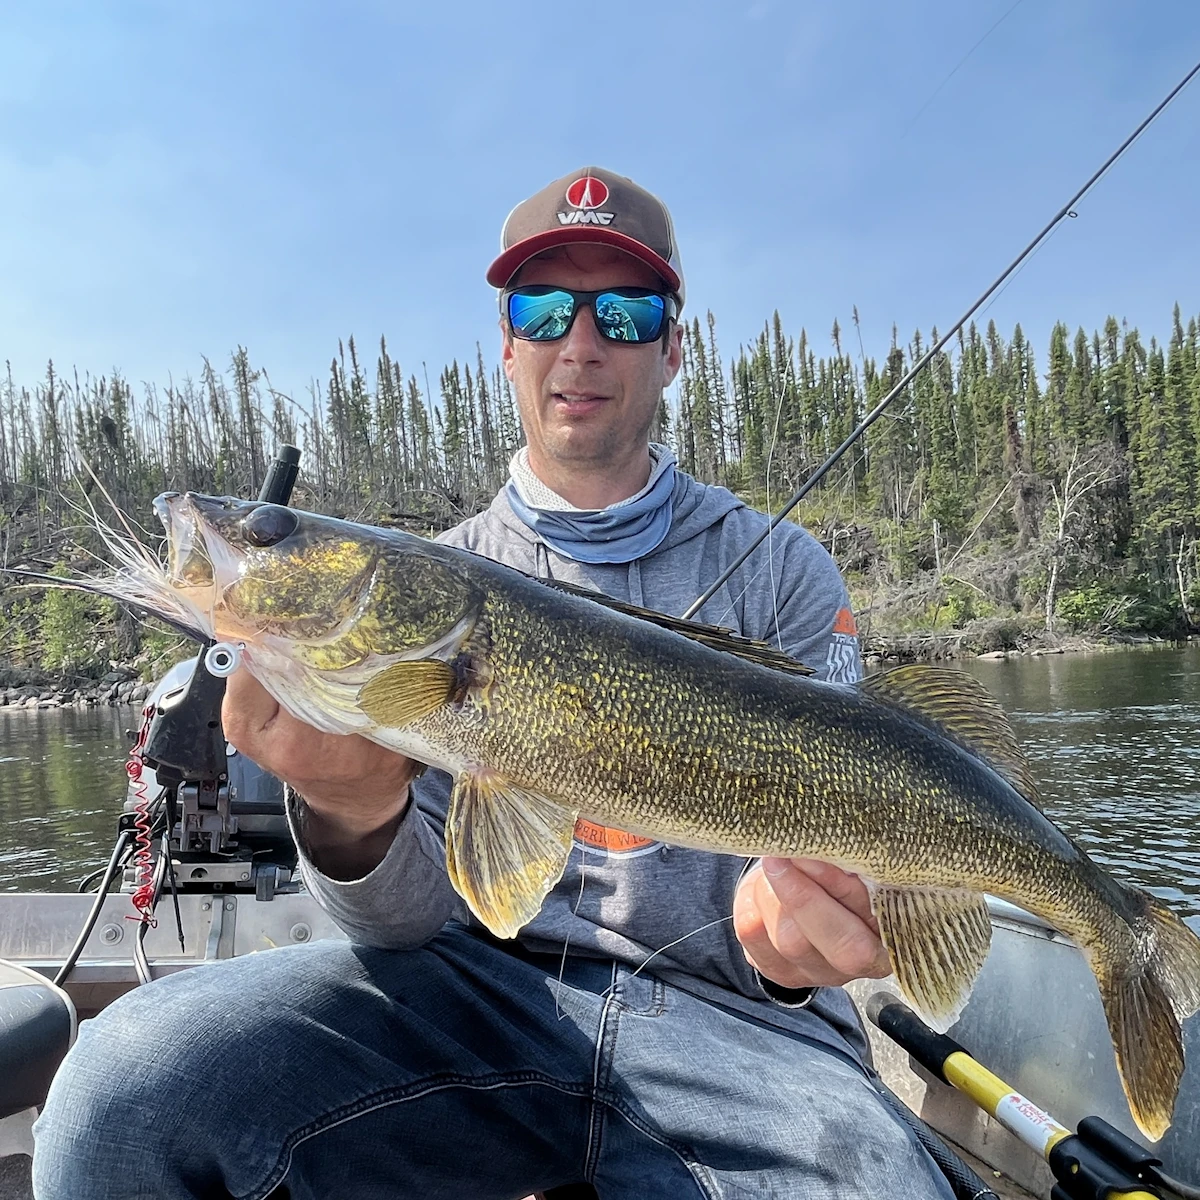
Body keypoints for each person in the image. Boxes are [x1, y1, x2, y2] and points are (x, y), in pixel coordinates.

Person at [33, 168, 954, 1199]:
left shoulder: (788, 572)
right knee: (120, 1095)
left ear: (674, 347)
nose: (583, 339)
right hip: (484, 1004)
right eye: (545, 307)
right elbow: (410, 930)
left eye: (628, 310)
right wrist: (348, 811)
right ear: (509, 342)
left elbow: (818, 892)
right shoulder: (428, 588)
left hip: (744, 1030)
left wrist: (790, 951)